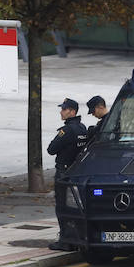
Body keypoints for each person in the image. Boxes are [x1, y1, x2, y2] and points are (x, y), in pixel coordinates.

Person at [46, 98, 87, 251]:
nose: (61, 112)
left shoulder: (67, 130)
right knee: (76, 207)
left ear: (72, 111)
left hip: (64, 173)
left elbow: (51, 149)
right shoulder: (82, 128)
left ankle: (66, 240)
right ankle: (78, 237)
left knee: (63, 207)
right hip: (77, 173)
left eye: (64, 109)